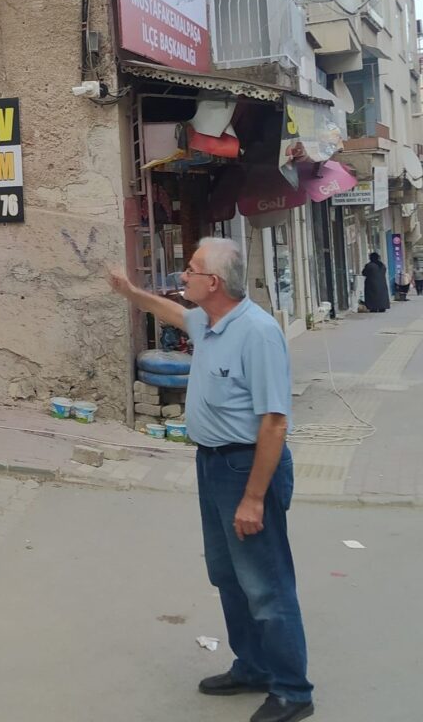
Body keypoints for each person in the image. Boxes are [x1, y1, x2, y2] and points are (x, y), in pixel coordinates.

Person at [108, 238, 314, 722]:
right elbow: (173, 313)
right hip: (213, 465)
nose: (184, 276)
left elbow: (274, 423)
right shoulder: (209, 321)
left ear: (214, 283)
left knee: (265, 583)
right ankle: (253, 666)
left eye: (192, 269)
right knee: (228, 575)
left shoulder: (257, 333)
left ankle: (293, 690)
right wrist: (129, 292)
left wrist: (254, 498)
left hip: (247, 468)